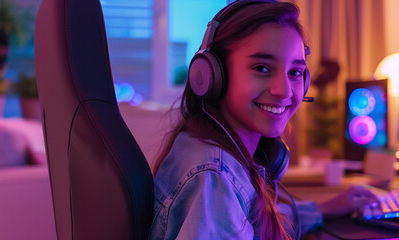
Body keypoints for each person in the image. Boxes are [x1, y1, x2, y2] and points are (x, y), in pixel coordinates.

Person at [149, 1, 378, 239]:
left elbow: (251, 220)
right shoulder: (214, 177)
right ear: (212, 75)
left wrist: (321, 209)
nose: (284, 91)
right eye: (262, 68)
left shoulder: (214, 153)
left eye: (295, 72)